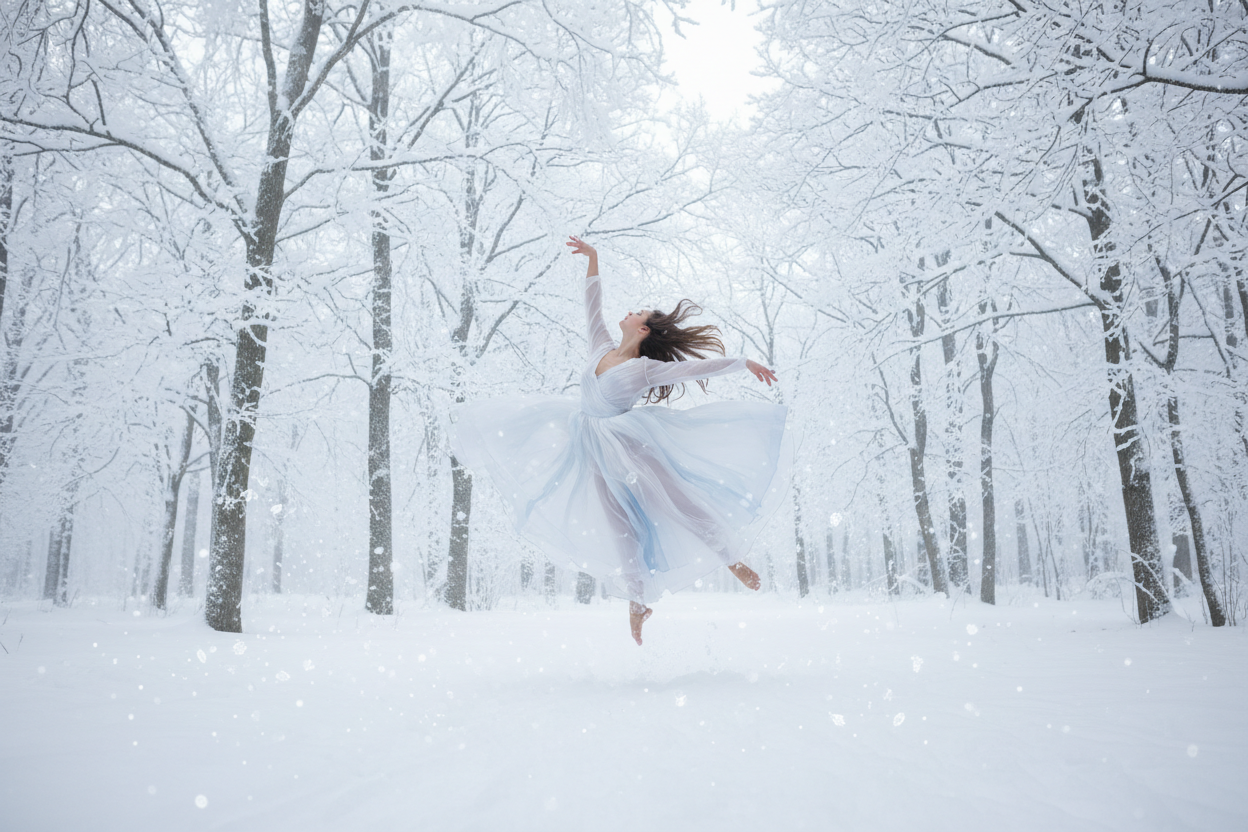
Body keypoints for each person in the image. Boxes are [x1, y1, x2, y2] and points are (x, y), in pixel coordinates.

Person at [451, 236, 789, 644]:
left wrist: (742, 363)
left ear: (643, 329)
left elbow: (693, 371)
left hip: (628, 445)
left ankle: (731, 558)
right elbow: (591, 304)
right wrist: (593, 260)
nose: (627, 312)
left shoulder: (643, 368)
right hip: (590, 445)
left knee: (676, 500)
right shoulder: (601, 348)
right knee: (619, 524)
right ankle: (637, 599)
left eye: (637, 312)